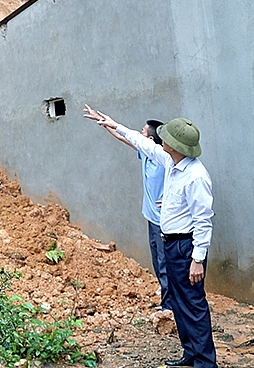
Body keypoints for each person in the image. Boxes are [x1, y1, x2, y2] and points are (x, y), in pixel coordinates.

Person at [84, 108, 217, 368]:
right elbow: (141, 141)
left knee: (193, 305)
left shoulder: (196, 177)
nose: (161, 140)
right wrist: (113, 124)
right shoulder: (172, 163)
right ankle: (190, 354)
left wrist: (198, 259)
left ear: (176, 145)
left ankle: (205, 363)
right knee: (179, 304)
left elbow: (203, 220)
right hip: (172, 243)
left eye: (166, 138)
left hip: (186, 247)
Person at [83, 105, 172, 313]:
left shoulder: (163, 160)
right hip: (151, 218)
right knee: (158, 264)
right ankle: (168, 301)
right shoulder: (146, 154)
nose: (139, 133)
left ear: (150, 140)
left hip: (164, 221)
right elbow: (124, 138)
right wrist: (104, 122)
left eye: (143, 131)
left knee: (165, 265)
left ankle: (169, 306)